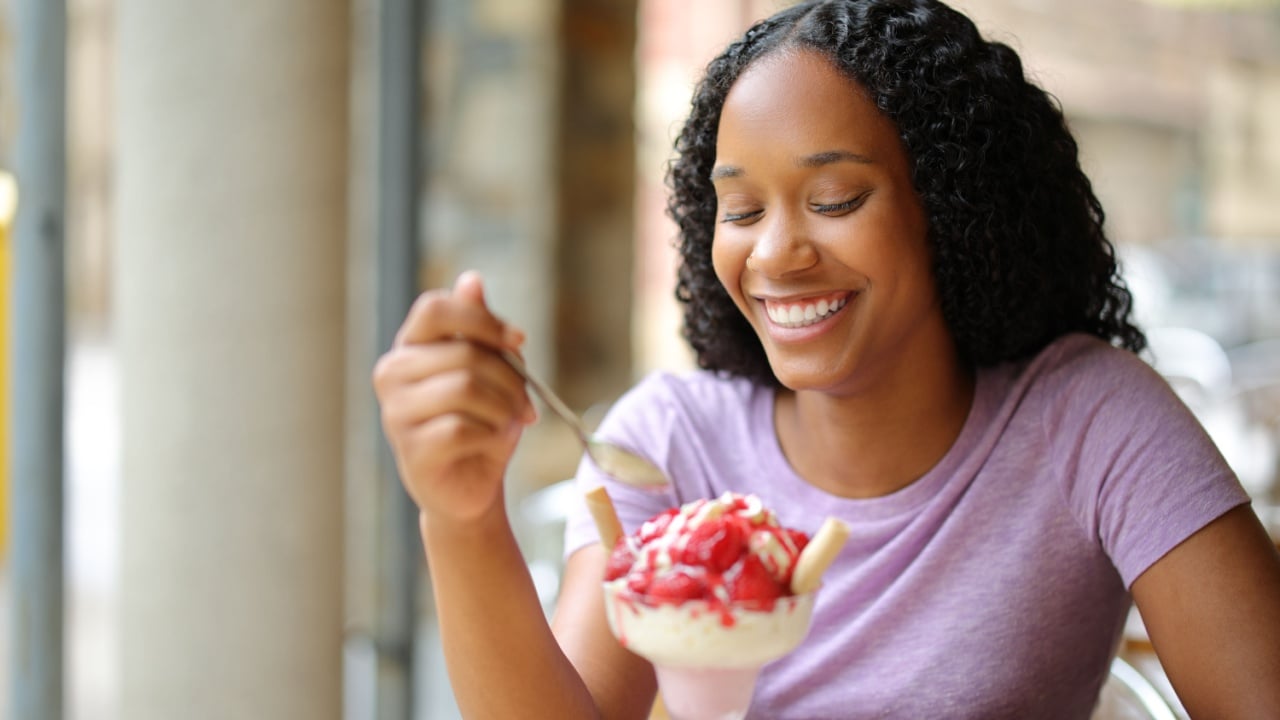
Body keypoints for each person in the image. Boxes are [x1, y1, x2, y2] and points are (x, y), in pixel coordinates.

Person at [372, 0, 1280, 717]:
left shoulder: (1090, 420)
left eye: (837, 198)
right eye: (742, 209)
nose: (774, 256)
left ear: (953, 209)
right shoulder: (667, 443)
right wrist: (460, 518)